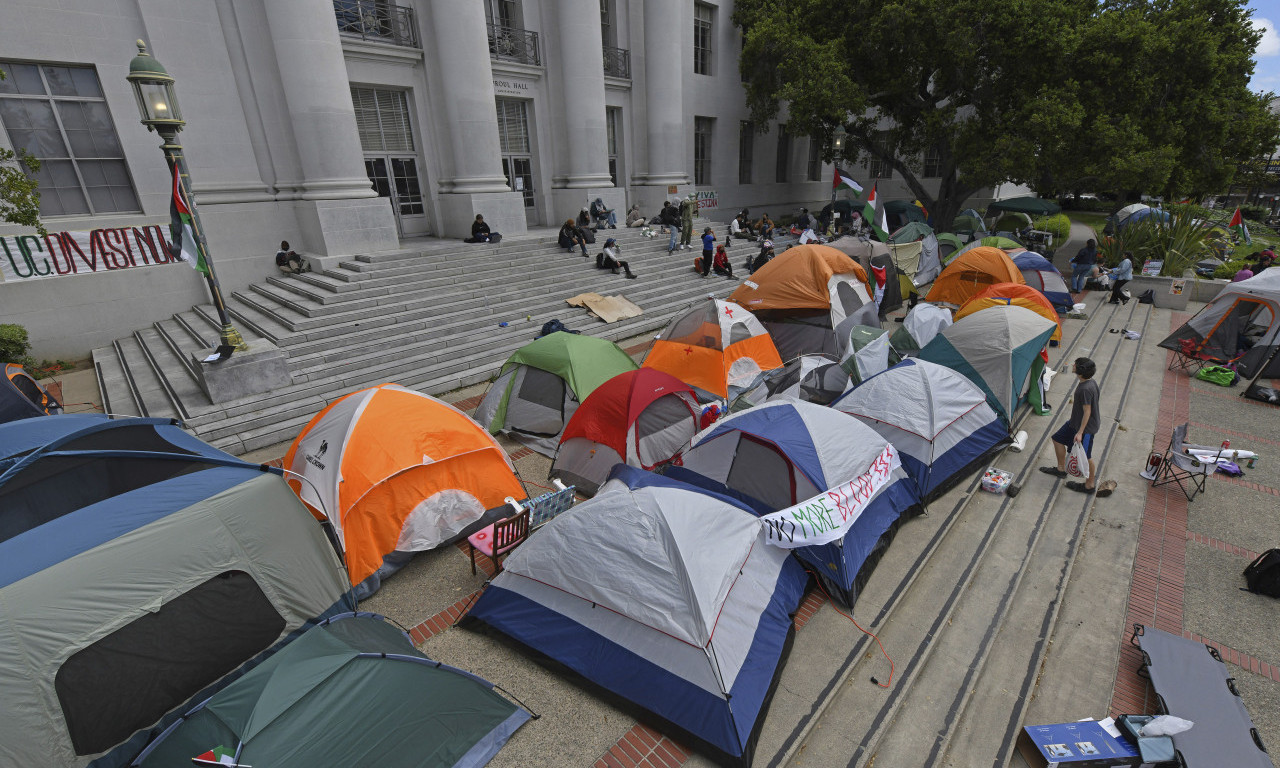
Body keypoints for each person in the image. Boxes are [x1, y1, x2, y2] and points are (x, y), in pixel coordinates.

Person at [1039, 357, 1110, 496]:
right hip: (1074, 423)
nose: (1072, 365)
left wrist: (1080, 432)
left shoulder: (1085, 389)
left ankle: (1089, 485)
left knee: (1086, 456)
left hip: (1085, 429)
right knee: (1057, 439)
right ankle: (1060, 470)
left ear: (1081, 370)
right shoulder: (1089, 382)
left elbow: (1087, 411)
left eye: (1075, 364)